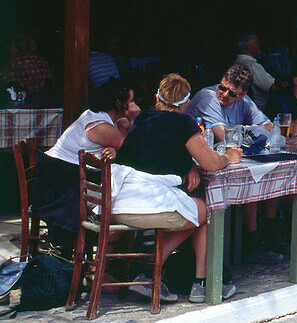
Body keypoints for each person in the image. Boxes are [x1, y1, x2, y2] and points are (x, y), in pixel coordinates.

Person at [114, 73, 244, 303]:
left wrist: (189, 167)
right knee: (206, 211)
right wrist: (229, 156)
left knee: (192, 211)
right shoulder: (184, 123)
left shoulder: (142, 119)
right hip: (150, 206)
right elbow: (212, 164)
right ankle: (200, 283)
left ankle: (148, 273)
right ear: (186, 102)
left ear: (157, 97)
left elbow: (157, 158)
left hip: (120, 206)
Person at [184, 63, 279, 263]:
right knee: (251, 178)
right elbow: (223, 138)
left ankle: (254, 242)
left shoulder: (244, 102)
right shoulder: (208, 97)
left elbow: (270, 127)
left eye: (232, 93)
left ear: (243, 94)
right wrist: (253, 137)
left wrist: (261, 134)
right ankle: (218, 257)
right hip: (192, 166)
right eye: (222, 87)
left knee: (259, 177)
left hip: (222, 161)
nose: (225, 94)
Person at [32, 79, 138, 252]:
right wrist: (132, 120)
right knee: (121, 199)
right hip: (60, 185)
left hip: (56, 176)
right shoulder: (102, 127)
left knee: (117, 191)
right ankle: (105, 263)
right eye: (131, 101)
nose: (134, 105)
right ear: (119, 103)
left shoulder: (95, 115)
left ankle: (106, 261)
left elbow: (121, 141)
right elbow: (134, 152)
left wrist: (119, 142)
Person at [234, 30, 276, 111]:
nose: (259, 45)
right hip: (260, 110)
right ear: (249, 47)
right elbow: (273, 87)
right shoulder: (252, 66)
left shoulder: (235, 63)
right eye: (257, 42)